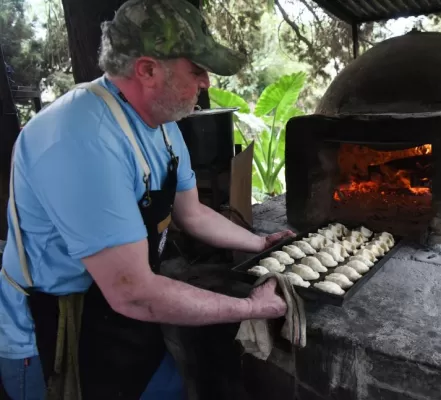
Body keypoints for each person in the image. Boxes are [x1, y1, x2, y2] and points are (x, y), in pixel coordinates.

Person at [0, 0, 294, 399]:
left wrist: (259, 243)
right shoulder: (81, 139)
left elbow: (191, 213)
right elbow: (134, 292)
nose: (206, 82)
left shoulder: (163, 126)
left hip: (119, 312)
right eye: (196, 70)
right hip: (57, 332)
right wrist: (251, 308)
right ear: (148, 70)